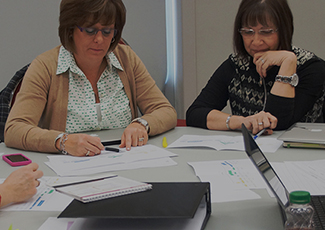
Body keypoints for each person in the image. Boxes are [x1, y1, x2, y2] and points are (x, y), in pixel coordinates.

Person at [4, 0, 177, 156]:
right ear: (70, 29)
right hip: (68, 170)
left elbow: (165, 111)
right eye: (90, 30)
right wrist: (62, 141)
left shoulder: (126, 59)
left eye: (107, 31)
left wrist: (142, 124)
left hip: (124, 161)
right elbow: (14, 129)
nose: (99, 39)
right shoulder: (45, 66)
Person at [186, 0, 325, 135]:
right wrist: (241, 122)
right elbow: (195, 113)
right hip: (247, 152)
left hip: (298, 154)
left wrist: (288, 62)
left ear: (283, 30)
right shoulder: (237, 65)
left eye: (266, 32)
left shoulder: (311, 67)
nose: (256, 41)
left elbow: (278, 124)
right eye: (248, 32)